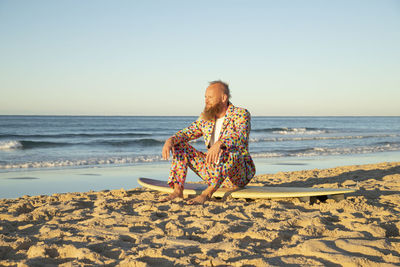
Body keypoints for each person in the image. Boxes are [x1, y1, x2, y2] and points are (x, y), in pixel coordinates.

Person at [161, 80, 255, 204]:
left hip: (237, 175)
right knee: (179, 145)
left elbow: (240, 137)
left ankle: (207, 194)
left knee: (228, 148)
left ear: (223, 98)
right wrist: (171, 140)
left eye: (210, 97)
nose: (206, 100)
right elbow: (187, 132)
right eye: (205, 97)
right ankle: (178, 190)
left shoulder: (241, 114)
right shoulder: (205, 118)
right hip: (213, 172)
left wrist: (220, 143)